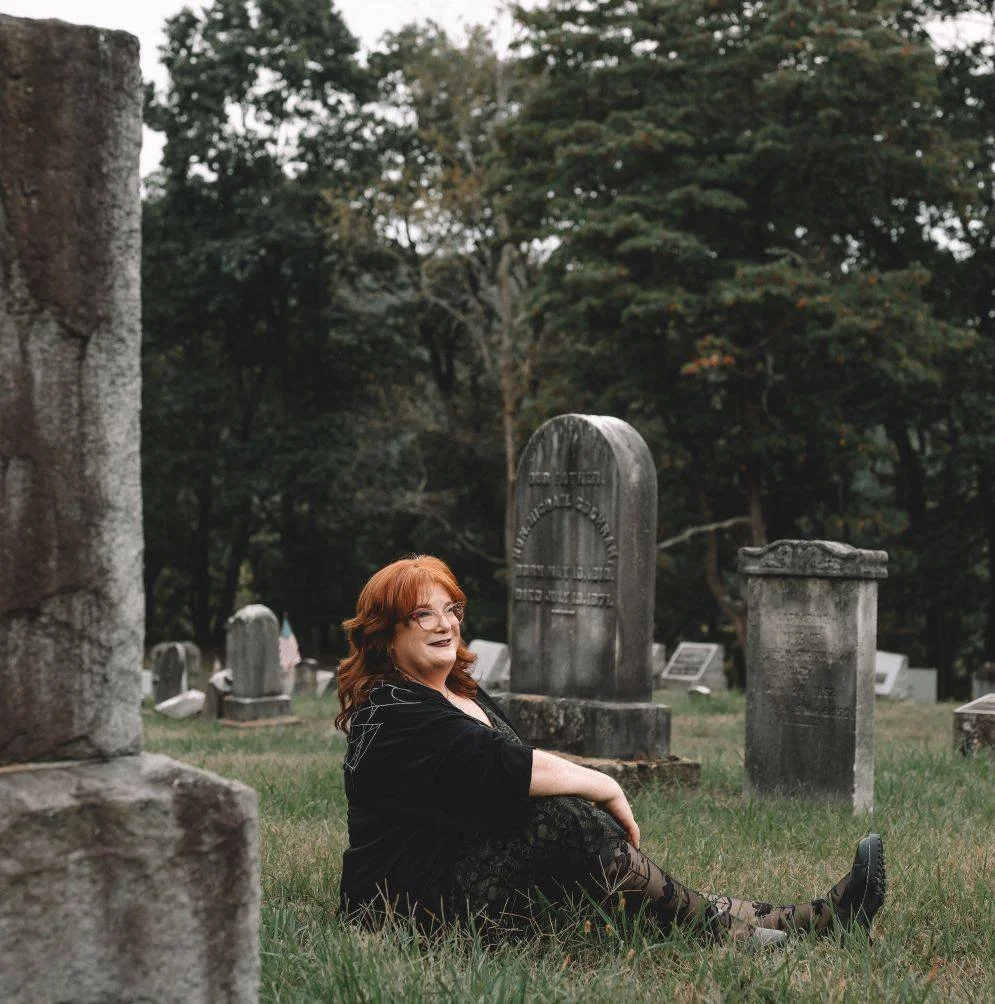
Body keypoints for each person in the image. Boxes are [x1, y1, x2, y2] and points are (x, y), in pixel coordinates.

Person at [336, 555, 886, 946]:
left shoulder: (463, 692)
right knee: (562, 817)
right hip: (403, 905)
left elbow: (489, 786)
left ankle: (785, 921)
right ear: (387, 635)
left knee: (569, 830)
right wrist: (608, 785)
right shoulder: (392, 710)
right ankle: (751, 929)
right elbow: (506, 767)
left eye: (451, 608)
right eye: (423, 614)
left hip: (464, 869)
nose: (446, 624)